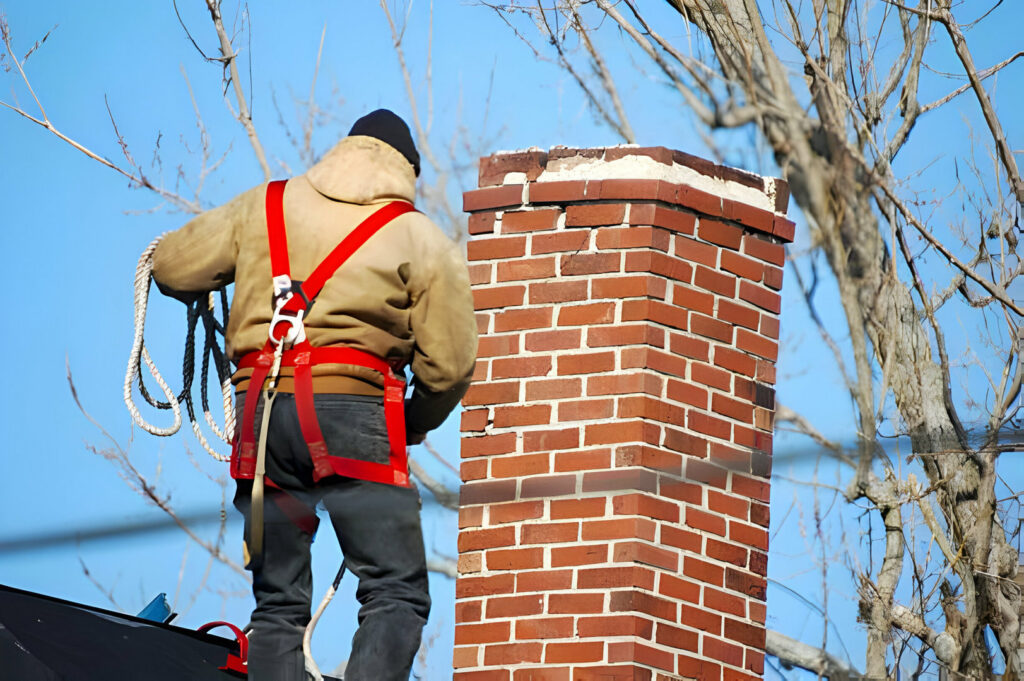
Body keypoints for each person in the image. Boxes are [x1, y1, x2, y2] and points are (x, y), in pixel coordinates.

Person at [150, 109, 478, 681]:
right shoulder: (418, 236)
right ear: (407, 172)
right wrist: (413, 421)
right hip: (353, 413)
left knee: (278, 604)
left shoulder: (264, 205)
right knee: (394, 590)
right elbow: (449, 368)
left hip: (262, 420)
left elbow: (172, 267)